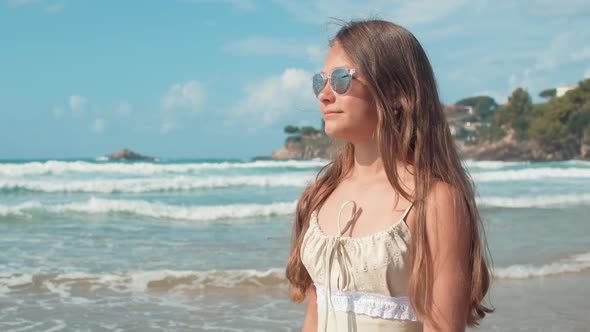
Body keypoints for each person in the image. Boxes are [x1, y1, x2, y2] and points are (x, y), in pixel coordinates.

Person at [285, 19, 492, 332]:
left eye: (341, 79)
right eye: (320, 81)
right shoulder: (319, 195)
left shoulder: (432, 201)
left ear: (395, 91)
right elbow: (313, 319)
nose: (325, 94)